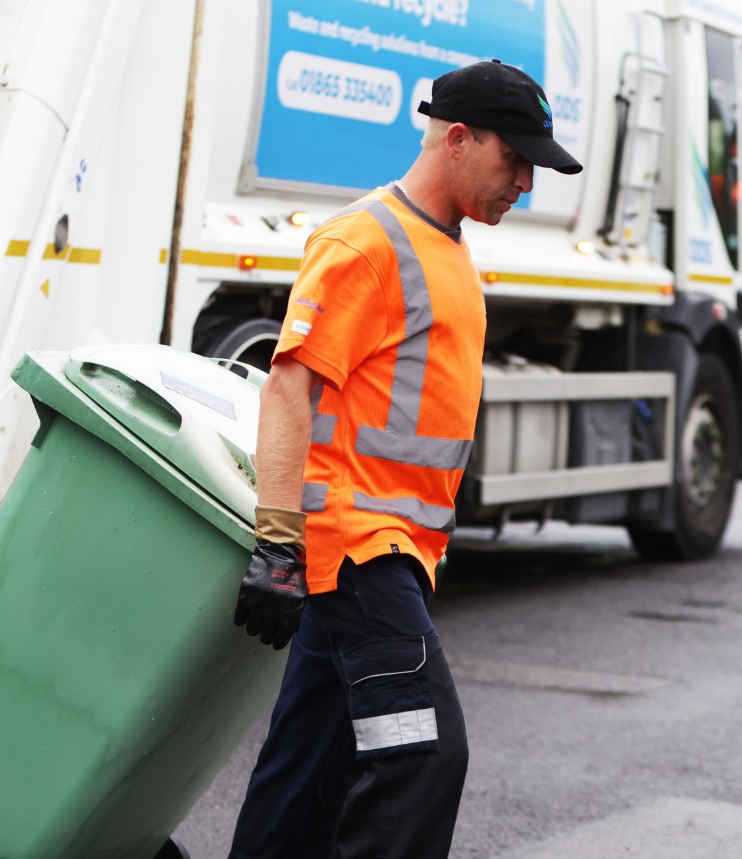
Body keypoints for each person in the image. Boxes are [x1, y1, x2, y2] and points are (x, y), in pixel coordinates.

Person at [227, 59, 582, 859]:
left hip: (398, 551)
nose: (525, 182)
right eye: (514, 159)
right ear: (457, 139)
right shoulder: (363, 243)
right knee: (423, 754)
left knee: (309, 768)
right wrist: (279, 541)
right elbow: (290, 389)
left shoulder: (447, 246)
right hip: (359, 546)